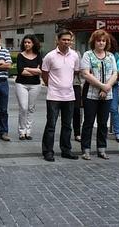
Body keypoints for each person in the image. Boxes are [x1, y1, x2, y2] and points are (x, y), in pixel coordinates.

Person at [41, 29, 80, 162]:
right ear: (57, 40)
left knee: (67, 125)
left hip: (69, 96)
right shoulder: (50, 56)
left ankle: (66, 150)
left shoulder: (74, 55)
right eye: (64, 39)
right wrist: (51, 85)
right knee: (51, 125)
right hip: (53, 96)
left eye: (68, 40)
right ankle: (48, 151)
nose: (66, 42)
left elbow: (75, 72)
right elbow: (44, 74)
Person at [80, 30, 117, 160]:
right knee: (88, 122)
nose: (101, 43)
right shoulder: (88, 55)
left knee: (103, 123)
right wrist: (102, 86)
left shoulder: (111, 56)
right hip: (91, 94)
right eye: (98, 40)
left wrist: (107, 87)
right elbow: (85, 74)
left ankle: (102, 149)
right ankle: (86, 149)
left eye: (103, 41)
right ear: (94, 42)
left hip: (107, 94)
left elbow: (115, 74)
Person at [15, 34, 42, 140]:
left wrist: (28, 68)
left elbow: (41, 71)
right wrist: (34, 70)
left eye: (29, 42)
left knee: (31, 108)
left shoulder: (38, 55)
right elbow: (21, 72)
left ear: (33, 43)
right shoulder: (20, 56)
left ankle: (28, 131)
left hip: (35, 85)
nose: (27, 44)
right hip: (21, 84)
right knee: (23, 107)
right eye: (25, 42)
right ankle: (22, 131)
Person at [108, 34, 119, 142]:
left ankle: (118, 132)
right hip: (98, 85)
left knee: (113, 109)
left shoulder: (115, 55)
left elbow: (116, 72)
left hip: (113, 86)